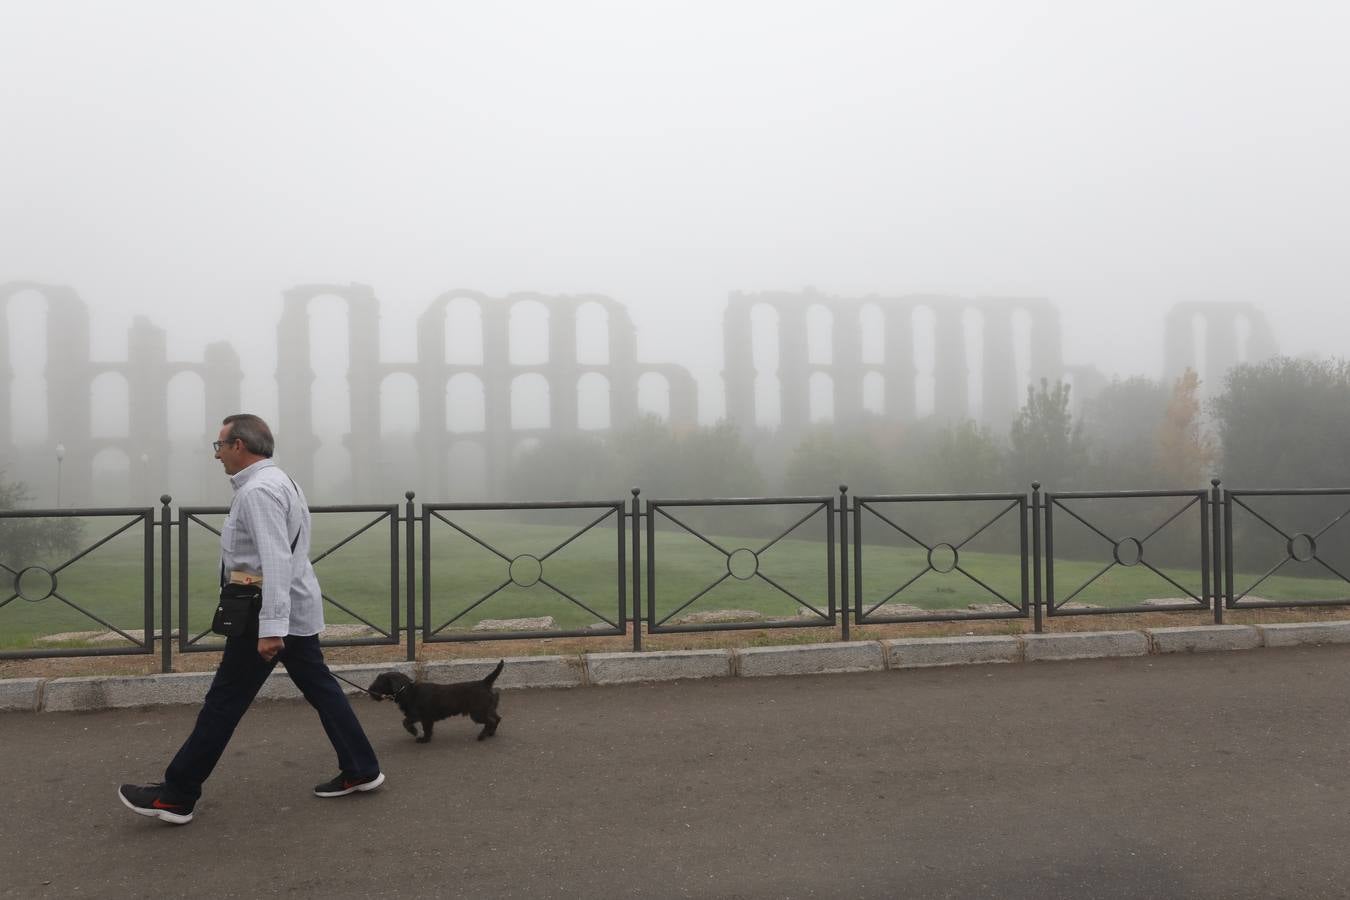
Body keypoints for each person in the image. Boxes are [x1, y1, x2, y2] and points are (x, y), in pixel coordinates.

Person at [119, 414, 383, 825]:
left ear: (239, 446)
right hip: (289, 604)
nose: (217, 454)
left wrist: (272, 628)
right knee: (322, 689)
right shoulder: (280, 481)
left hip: (265, 611)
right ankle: (362, 768)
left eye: (219, 446)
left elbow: (274, 559)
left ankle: (177, 795)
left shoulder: (258, 491)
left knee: (223, 702)